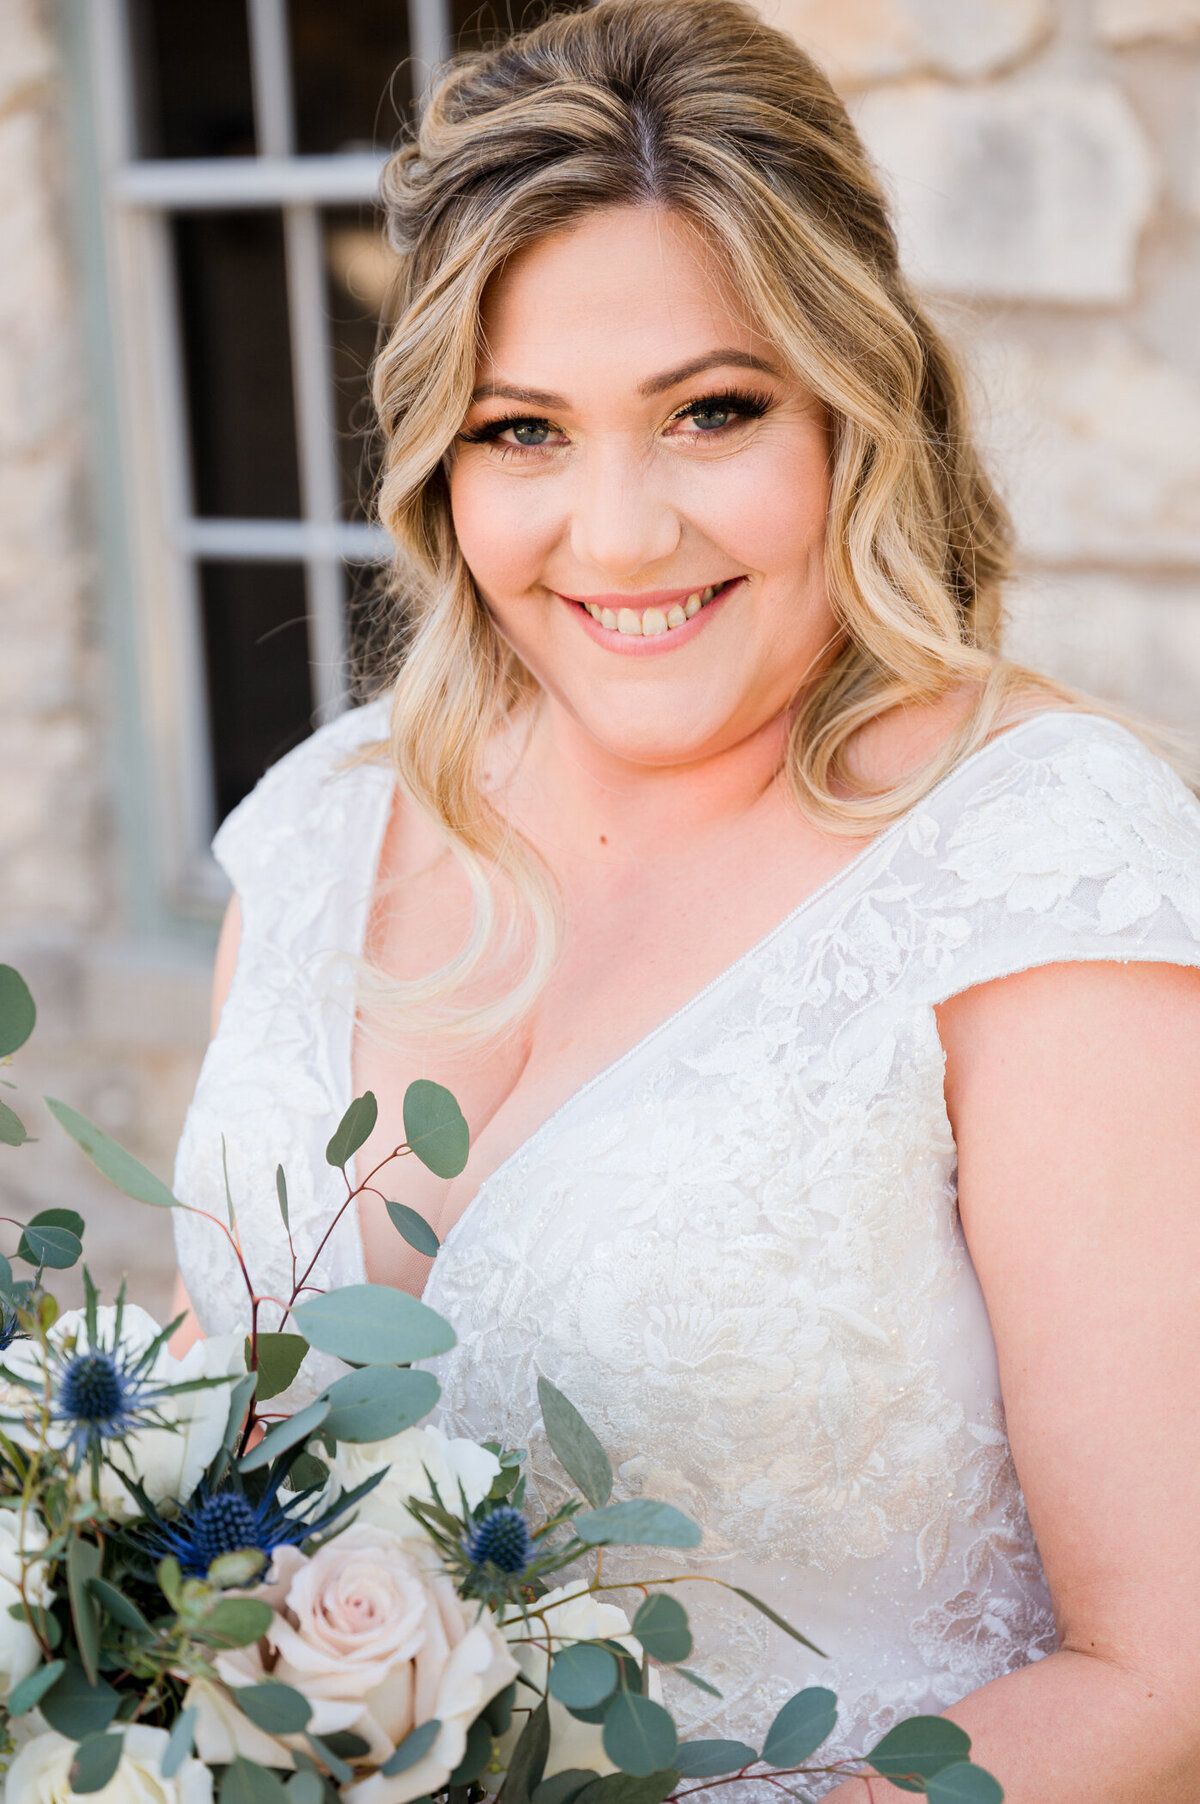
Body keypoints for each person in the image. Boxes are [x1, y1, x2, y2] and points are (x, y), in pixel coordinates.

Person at [169, 2, 1200, 1796]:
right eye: (523, 432)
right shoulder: (324, 826)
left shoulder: (1040, 861)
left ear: (853, 409)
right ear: (438, 457)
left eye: (711, 412)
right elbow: (207, 1397)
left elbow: (1160, 1672)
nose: (623, 533)